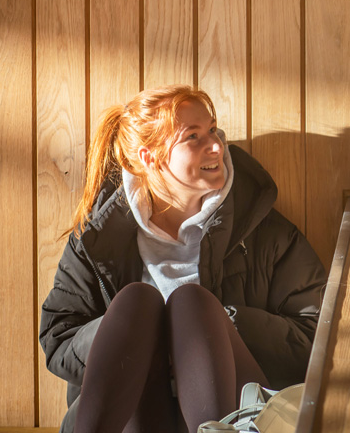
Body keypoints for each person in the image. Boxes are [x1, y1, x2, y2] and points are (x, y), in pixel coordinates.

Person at [40, 85, 326, 433]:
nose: (218, 145)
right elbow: (58, 339)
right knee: (136, 303)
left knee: (192, 305)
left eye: (212, 130)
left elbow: (316, 337)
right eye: (194, 137)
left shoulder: (263, 230)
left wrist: (221, 325)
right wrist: (138, 335)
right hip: (133, 415)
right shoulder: (100, 239)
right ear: (150, 158)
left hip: (235, 409)